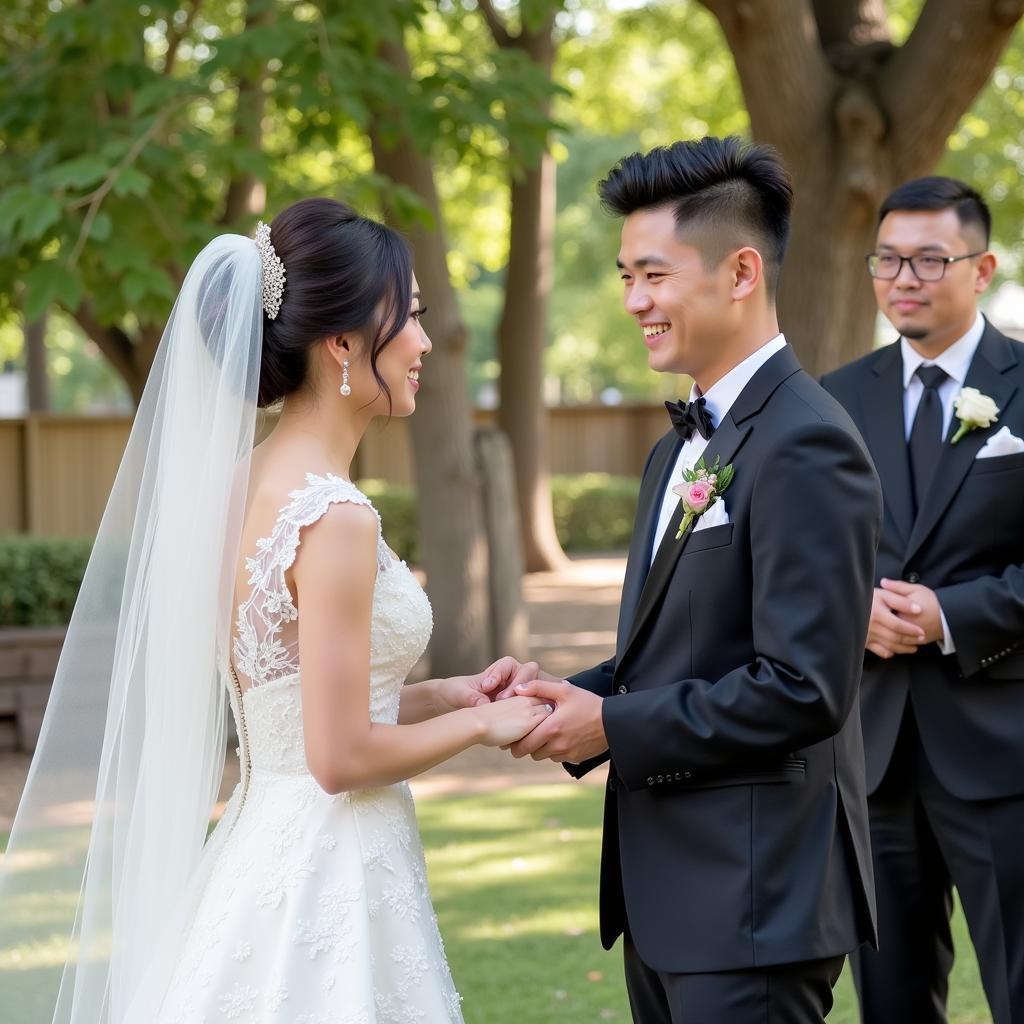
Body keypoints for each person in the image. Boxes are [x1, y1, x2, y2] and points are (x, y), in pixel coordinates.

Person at [0, 198, 551, 1024]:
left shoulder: (236, 491)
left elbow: (290, 711)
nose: (427, 344)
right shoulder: (335, 516)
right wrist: (483, 731)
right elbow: (337, 758)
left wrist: (449, 696)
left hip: (258, 847)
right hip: (330, 867)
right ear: (341, 343)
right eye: (412, 318)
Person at [504, 137, 883, 1023]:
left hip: (755, 903)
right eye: (626, 277)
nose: (634, 301)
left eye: (652, 275)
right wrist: (572, 696)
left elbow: (804, 686)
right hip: (670, 901)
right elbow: (685, 650)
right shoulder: (677, 449)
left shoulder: (807, 442)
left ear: (741, 270)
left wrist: (615, 723)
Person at [821, 176, 1024, 1024]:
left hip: (1003, 750)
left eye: (930, 259)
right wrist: (850, 609)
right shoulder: (830, 399)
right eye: (888, 259)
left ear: (982, 270)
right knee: (891, 1004)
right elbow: (798, 559)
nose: (904, 277)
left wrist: (951, 616)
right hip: (872, 754)